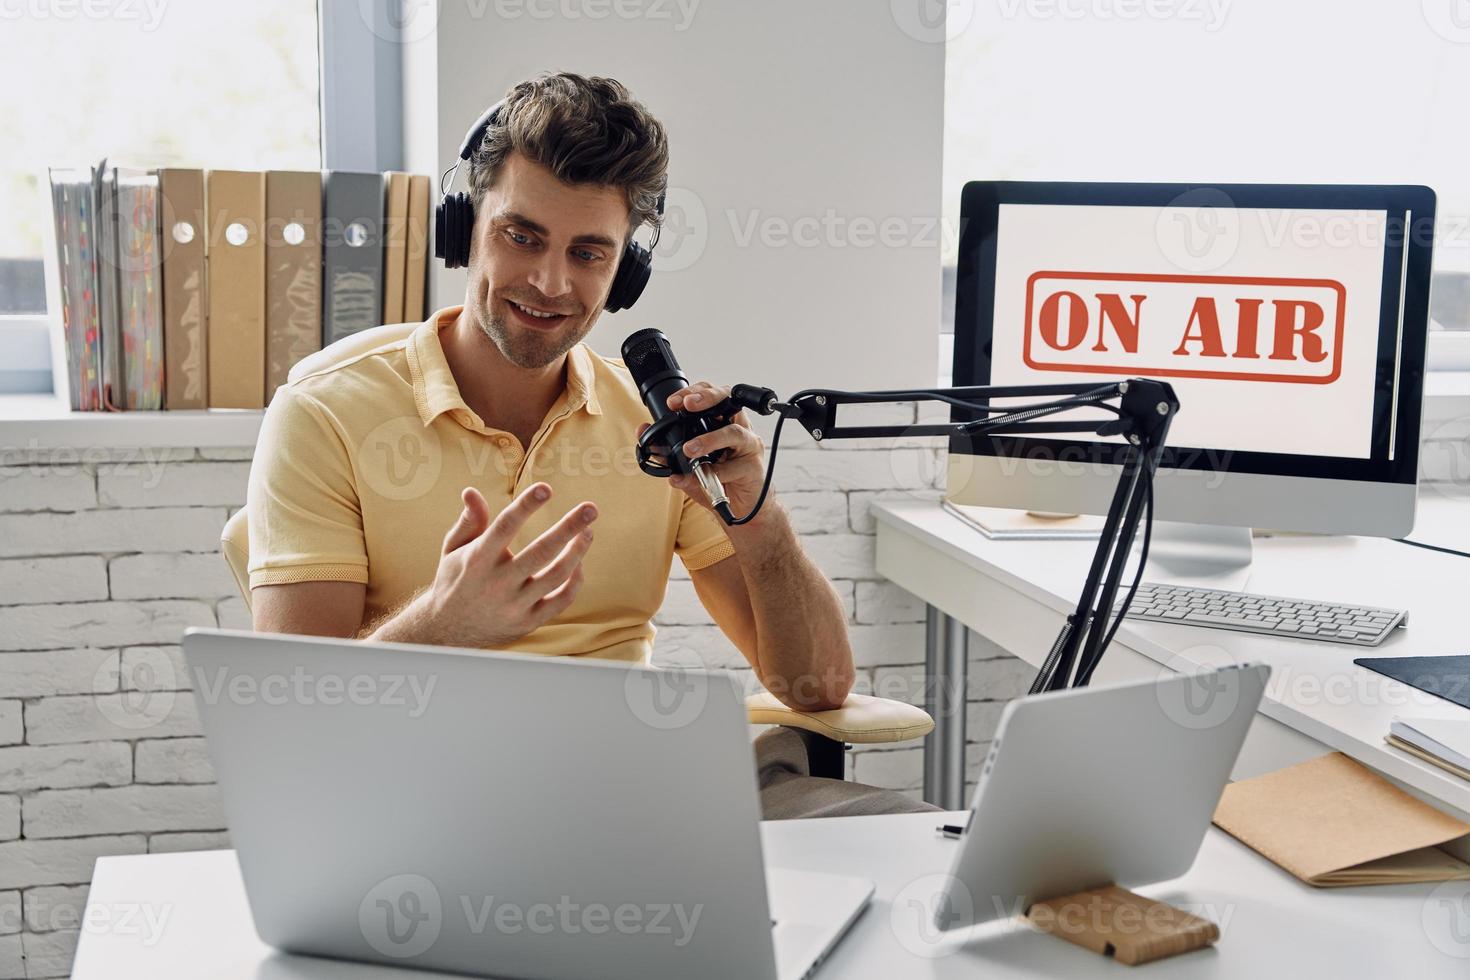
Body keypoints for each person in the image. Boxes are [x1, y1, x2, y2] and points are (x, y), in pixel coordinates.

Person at [247, 71, 934, 819]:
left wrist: (759, 524)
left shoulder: (651, 426)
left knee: (909, 848)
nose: (550, 282)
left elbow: (816, 689)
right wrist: (445, 625)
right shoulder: (325, 412)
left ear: (626, 270)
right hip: (428, 811)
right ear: (463, 225)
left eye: (589, 253)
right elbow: (294, 729)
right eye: (522, 236)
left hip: (634, 802)